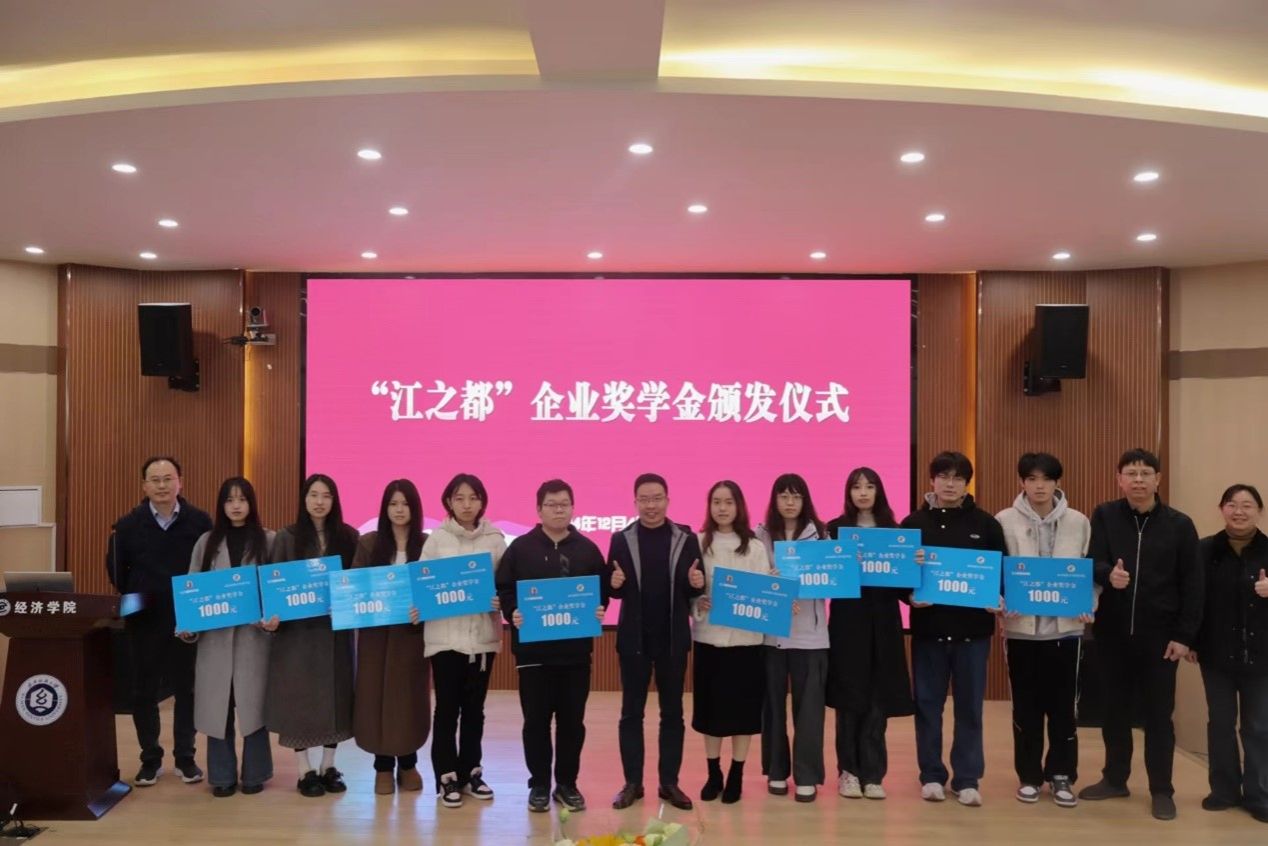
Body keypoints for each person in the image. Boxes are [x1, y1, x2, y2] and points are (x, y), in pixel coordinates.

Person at [1078, 448, 1203, 821]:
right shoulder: (1104, 515)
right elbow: (1091, 561)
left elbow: (1193, 585)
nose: (1138, 480)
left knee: (1158, 717)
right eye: (1130, 473)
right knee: (1114, 711)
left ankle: (1162, 790)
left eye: (1145, 473)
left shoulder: (1180, 525)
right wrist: (1108, 575)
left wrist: (1184, 635)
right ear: (1119, 479)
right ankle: (1115, 779)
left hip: (1161, 639)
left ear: (1157, 479)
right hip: (1112, 635)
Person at [495, 479, 608, 813]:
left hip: (575, 654)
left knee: (573, 723)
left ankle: (567, 784)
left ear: (573, 508)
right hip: (533, 654)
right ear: (539, 509)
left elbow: (600, 592)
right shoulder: (520, 549)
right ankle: (540, 785)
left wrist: (599, 608)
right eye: (551, 504)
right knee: (536, 722)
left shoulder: (587, 549)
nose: (559, 510)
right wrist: (512, 611)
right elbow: (504, 589)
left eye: (564, 504)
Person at [902, 451, 1007, 808]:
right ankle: (931, 775)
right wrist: (910, 596)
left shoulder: (986, 524)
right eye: (943, 476)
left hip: (972, 635)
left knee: (970, 709)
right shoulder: (912, 524)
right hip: (929, 633)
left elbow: (1001, 574)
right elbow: (901, 578)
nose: (950, 484)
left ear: (967, 484)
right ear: (932, 480)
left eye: (958, 478)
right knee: (927, 707)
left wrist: (998, 598)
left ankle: (967, 778)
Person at [106, 455, 213, 787]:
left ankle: (185, 757)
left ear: (180, 482)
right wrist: (142, 593)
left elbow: (209, 568)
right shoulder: (127, 525)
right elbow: (116, 571)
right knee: (144, 691)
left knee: (187, 690)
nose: (163, 485)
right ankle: (150, 759)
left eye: (169, 479)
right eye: (155, 480)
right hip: (145, 620)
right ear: (144, 486)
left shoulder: (200, 522)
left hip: (187, 620)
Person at [996, 453, 1092, 808]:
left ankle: (1062, 774)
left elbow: (1089, 571)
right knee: (1026, 708)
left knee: (1064, 708)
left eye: (1046, 479)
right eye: (1032, 479)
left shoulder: (1079, 522)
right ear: (1021, 482)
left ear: (1056, 483)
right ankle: (1029, 776)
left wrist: (1088, 601)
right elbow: (997, 573)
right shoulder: (1003, 521)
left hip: (1066, 631)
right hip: (1022, 631)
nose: (1039, 486)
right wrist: (1002, 599)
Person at [608, 473, 705, 812]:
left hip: (673, 639)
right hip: (633, 640)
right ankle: (632, 784)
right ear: (635, 502)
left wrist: (697, 582)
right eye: (644, 499)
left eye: (657, 498)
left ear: (667, 500)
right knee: (630, 714)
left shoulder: (686, 538)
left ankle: (669, 783)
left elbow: (696, 587)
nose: (651, 505)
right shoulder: (621, 539)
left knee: (673, 713)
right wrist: (614, 583)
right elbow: (613, 589)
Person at [263, 473, 359, 798]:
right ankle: (304, 770)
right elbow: (274, 586)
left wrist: (348, 603)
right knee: (300, 700)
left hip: (335, 633)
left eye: (326, 496)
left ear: (335, 501)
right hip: (297, 635)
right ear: (304, 499)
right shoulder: (286, 537)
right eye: (313, 495)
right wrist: (273, 616)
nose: (319, 501)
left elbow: (357, 583)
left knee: (336, 697)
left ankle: (329, 765)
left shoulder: (349, 536)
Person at [179, 477, 274, 797]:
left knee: (253, 709)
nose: (236, 506)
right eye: (229, 500)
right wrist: (188, 626)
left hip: (254, 642)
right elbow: (192, 591)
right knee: (217, 710)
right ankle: (221, 776)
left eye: (242, 499)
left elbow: (276, 590)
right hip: (215, 643)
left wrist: (271, 620)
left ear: (251, 504)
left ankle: (255, 774)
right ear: (221, 505)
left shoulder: (268, 540)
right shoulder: (206, 542)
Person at [824, 467, 914, 801]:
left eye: (870, 486)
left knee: (878, 702)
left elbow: (904, 588)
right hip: (847, 626)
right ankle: (848, 772)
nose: (863, 492)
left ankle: (873, 774)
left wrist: (914, 568)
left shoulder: (896, 532)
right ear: (848, 493)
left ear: (879, 492)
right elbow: (826, 578)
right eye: (856, 487)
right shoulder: (835, 529)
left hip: (885, 627)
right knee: (849, 701)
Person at [420, 473, 507, 808]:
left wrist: (500, 599)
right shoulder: (436, 540)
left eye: (473, 497)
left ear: (482, 501)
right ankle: (446, 777)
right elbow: (423, 584)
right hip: (444, 640)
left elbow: (505, 584)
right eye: (460, 498)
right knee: (446, 710)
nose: (467, 504)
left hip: (482, 639)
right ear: (449, 502)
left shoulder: (495, 539)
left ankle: (471, 772)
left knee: (474, 711)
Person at [1191, 484, 1268, 824]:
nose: (1239, 511)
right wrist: (1191, 640)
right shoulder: (1204, 550)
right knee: (1220, 724)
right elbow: (1193, 599)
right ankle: (1223, 790)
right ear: (1221, 509)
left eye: (1247, 505)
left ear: (1259, 511)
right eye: (1232, 504)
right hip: (1216, 655)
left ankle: (1259, 794)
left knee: (1258, 727)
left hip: (1262, 655)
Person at [691, 481, 769, 804]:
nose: (722, 508)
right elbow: (690, 590)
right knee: (711, 712)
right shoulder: (698, 543)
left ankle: (736, 774)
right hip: (709, 640)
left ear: (739, 506)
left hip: (747, 644)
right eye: (716, 502)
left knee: (743, 714)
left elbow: (764, 596)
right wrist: (698, 600)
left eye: (728, 502)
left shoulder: (756, 547)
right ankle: (714, 773)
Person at [351, 479, 431, 795]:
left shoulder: (427, 545)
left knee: (407, 700)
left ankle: (408, 764)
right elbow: (355, 589)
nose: (399, 510)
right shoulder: (369, 543)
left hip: (411, 636)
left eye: (405, 504)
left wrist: (423, 609)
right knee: (375, 699)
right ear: (385, 508)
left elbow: (433, 591)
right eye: (393, 504)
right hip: (375, 637)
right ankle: (382, 767)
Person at [757, 473, 830, 803]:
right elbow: (751, 582)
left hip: (810, 637)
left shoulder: (822, 536)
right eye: (783, 496)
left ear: (805, 500)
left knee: (809, 711)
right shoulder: (759, 536)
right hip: (771, 637)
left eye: (796, 496)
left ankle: (807, 775)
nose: (789, 502)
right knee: (772, 708)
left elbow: (834, 580)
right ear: (774, 500)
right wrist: (769, 582)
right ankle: (776, 770)